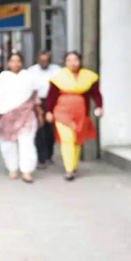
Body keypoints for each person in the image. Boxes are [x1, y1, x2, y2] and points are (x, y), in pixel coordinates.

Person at [46, 51, 104, 181]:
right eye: (69, 60)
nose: (73, 63)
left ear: (80, 61)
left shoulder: (88, 77)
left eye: (75, 60)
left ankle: (73, 165)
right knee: (67, 139)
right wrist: (49, 111)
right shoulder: (58, 77)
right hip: (61, 112)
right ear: (65, 62)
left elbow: (96, 94)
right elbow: (51, 96)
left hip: (80, 113)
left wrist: (99, 106)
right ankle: (69, 170)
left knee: (77, 140)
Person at [0, 53, 40, 183]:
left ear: (22, 62)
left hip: (26, 114)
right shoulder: (3, 77)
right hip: (7, 115)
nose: (15, 64)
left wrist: (40, 112)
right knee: (7, 144)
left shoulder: (28, 76)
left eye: (18, 61)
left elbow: (35, 95)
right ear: (8, 63)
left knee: (27, 143)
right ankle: (12, 168)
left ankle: (27, 171)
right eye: (12, 61)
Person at [28, 51, 61, 168]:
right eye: (42, 60)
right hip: (38, 101)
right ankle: (41, 158)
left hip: (53, 101)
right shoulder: (31, 71)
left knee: (50, 130)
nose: (44, 63)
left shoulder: (56, 70)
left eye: (46, 60)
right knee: (39, 130)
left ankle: (49, 155)